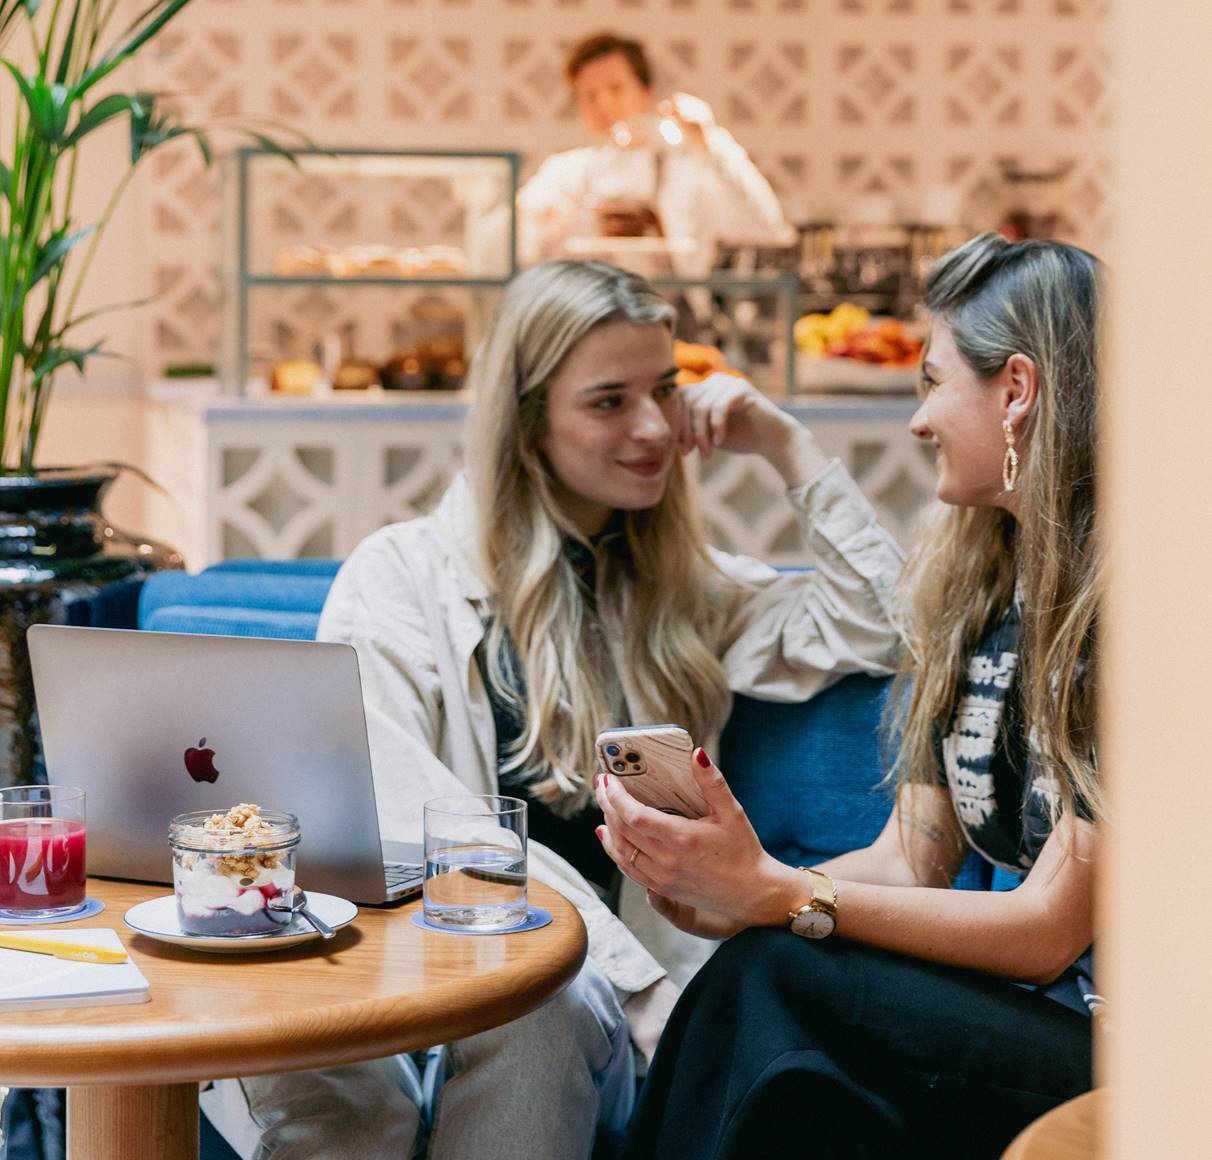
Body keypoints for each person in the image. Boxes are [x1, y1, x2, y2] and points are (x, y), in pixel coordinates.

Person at [206, 258, 903, 1159]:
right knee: (349, 1061)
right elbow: (421, 818)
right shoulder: (400, 577)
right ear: (528, 421)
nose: (654, 427)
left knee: (531, 996)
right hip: (413, 981)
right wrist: (633, 976)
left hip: (580, 1016)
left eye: (666, 389)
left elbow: (884, 628)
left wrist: (785, 445)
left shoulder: (683, 589)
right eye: (609, 401)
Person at [596, 233, 1103, 1159]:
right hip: (1033, 1020)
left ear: (1018, 390)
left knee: (778, 977)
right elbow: (912, 861)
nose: (917, 420)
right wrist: (732, 896)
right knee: (767, 986)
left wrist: (777, 891)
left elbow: (1047, 932)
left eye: (931, 380)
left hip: (1138, 1052)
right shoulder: (980, 594)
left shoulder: (1129, 609)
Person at [517, 33, 787, 276]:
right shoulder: (565, 173)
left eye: (615, 89)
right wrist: (571, 222)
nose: (604, 104)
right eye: (590, 95)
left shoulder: (690, 167)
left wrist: (710, 142)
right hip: (589, 322)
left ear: (645, 90)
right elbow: (513, 244)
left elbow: (766, 227)